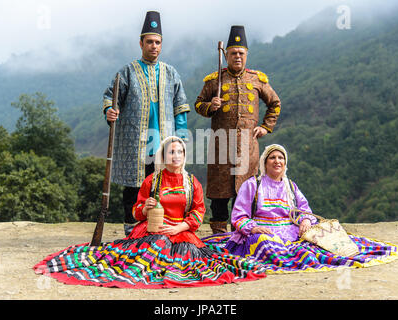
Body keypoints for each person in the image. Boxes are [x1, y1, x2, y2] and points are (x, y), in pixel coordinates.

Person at [33, 136, 266, 288]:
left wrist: (178, 227)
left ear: (184, 156)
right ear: (163, 156)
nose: (176, 157)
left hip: (181, 231)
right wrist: (144, 208)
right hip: (151, 230)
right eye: (171, 152)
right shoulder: (152, 181)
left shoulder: (191, 182)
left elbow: (198, 212)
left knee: (191, 261)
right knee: (146, 253)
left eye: (180, 152)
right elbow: (136, 212)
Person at [203, 144, 398, 273]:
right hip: (262, 231)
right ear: (265, 163)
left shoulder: (291, 186)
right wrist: (253, 228)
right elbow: (239, 216)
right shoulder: (252, 185)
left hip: (290, 230)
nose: (277, 161)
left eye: (281, 158)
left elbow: (304, 209)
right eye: (272, 158)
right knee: (265, 243)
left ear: (285, 164)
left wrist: (306, 222)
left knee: (317, 246)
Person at [103, 11, 190, 236]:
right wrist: (110, 111)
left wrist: (181, 136)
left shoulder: (171, 73)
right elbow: (110, 97)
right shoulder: (127, 72)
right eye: (149, 41)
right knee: (134, 187)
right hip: (135, 142)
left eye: (157, 42)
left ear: (162, 45)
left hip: (163, 142)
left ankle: (157, 229)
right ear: (141, 43)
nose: (154, 46)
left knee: (162, 186)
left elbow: (180, 105)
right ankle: (131, 230)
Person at [195, 25, 282, 234]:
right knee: (219, 195)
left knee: (244, 193)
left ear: (247, 55)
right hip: (220, 146)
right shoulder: (214, 80)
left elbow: (275, 103)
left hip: (247, 148)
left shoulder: (257, 80)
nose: (237, 57)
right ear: (225, 55)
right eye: (233, 53)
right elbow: (198, 104)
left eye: (241, 53)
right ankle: (218, 237)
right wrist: (210, 106)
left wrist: (265, 127)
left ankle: (240, 235)